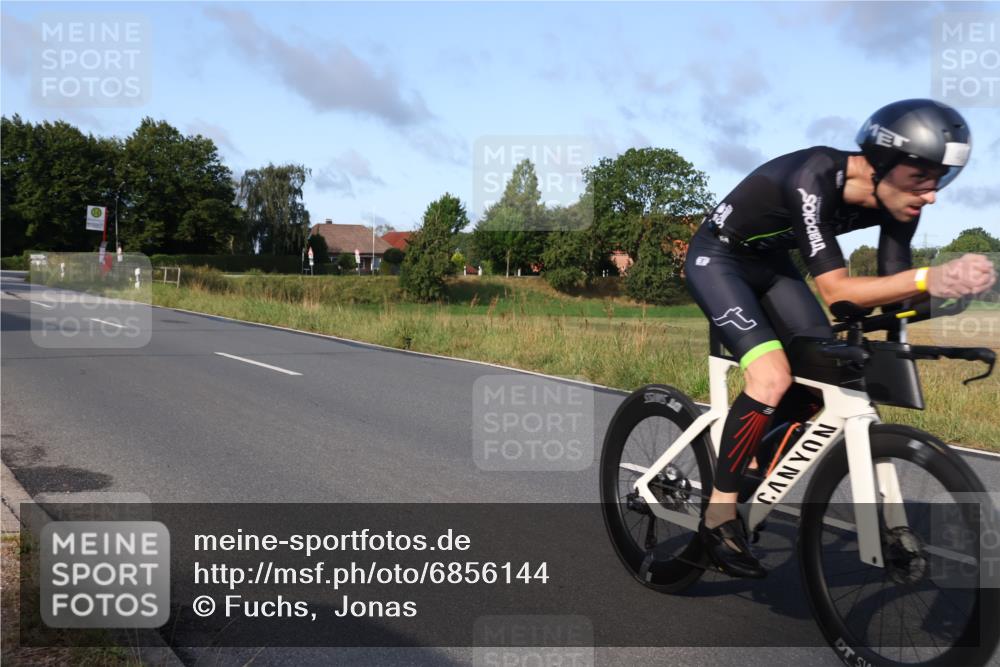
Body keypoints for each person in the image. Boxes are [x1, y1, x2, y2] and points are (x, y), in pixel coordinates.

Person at [683, 98, 996, 578]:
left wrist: (954, 294)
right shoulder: (815, 176)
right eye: (921, 179)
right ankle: (719, 514)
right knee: (770, 376)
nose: (931, 195)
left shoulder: (901, 204)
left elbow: (891, 293)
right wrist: (927, 278)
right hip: (718, 258)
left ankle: (752, 463)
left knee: (822, 370)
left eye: (940, 180)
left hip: (772, 267)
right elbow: (837, 292)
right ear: (880, 163)